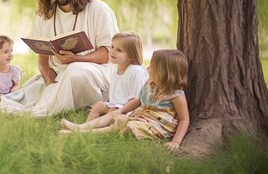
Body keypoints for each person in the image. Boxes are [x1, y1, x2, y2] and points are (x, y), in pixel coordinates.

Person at [0, 0, 119, 117]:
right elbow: (43, 61)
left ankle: (43, 112)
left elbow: (107, 53)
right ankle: (65, 103)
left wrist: (75, 59)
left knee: (75, 72)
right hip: (59, 75)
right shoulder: (44, 14)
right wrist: (50, 83)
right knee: (31, 93)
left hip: (96, 72)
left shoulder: (99, 9)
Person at [60, 49, 190, 151]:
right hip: (141, 117)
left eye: (152, 67)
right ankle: (80, 128)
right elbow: (138, 100)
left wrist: (175, 141)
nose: (148, 69)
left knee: (126, 126)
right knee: (119, 120)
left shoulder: (176, 96)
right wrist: (122, 110)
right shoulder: (150, 85)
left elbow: (184, 120)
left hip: (156, 126)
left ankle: (81, 134)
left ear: (165, 73)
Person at [86, 31, 148, 122]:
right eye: (112, 47)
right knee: (99, 105)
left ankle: (92, 126)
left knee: (112, 110)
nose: (112, 51)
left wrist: (118, 110)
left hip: (131, 109)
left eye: (119, 50)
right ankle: (89, 125)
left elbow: (137, 100)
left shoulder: (135, 71)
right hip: (116, 106)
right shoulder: (116, 71)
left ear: (131, 56)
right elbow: (115, 98)